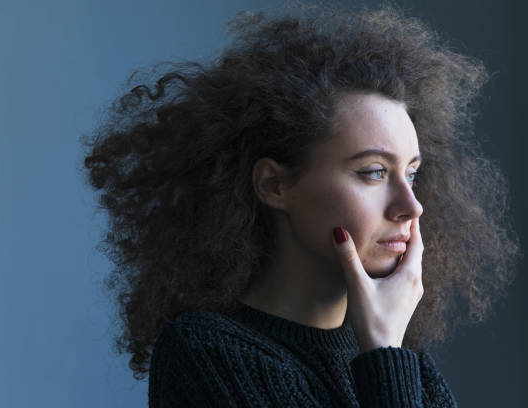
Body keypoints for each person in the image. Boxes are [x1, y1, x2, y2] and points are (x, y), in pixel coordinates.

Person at [80, 2, 523, 407]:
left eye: (411, 173)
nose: (411, 206)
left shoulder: (400, 358)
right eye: (374, 172)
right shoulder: (207, 352)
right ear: (274, 185)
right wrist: (386, 356)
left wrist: (387, 353)